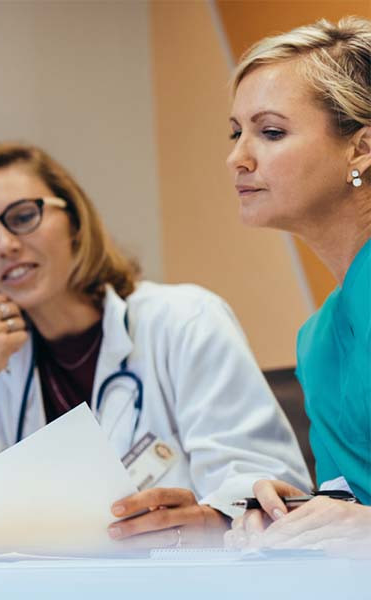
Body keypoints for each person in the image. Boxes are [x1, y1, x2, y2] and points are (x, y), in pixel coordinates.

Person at [0, 142, 310, 549]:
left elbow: (267, 488)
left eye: (23, 216)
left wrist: (210, 521)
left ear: (75, 222)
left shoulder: (183, 320)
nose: (4, 245)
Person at [223, 16, 371, 558]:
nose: (237, 157)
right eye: (236, 132)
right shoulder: (318, 340)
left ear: (361, 148)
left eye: (271, 132)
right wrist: (304, 513)